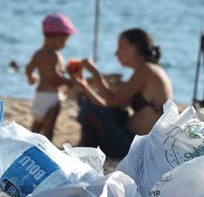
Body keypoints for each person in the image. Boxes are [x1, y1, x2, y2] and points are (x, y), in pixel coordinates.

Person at [73, 28, 173, 159]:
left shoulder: (145, 70)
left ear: (134, 48)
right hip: (138, 143)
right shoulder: (149, 69)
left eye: (120, 47)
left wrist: (94, 72)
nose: (116, 52)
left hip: (138, 147)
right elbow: (113, 104)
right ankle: (86, 149)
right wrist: (85, 86)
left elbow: (111, 101)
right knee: (98, 107)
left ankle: (88, 152)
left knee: (90, 110)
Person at [25, 13, 79, 141]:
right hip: (51, 99)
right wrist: (69, 82)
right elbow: (52, 77)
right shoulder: (53, 55)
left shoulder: (39, 53)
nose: (65, 43)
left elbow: (28, 68)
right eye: (65, 40)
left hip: (39, 98)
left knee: (35, 130)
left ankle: (29, 145)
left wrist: (31, 77)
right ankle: (47, 146)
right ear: (58, 38)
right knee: (49, 129)